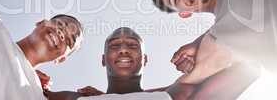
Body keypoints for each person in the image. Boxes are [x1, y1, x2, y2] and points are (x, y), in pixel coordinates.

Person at [44, 27, 258, 100]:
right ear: (103, 59)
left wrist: (198, 44)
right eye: (114, 46)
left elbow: (249, 67)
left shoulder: (177, 94)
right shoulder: (74, 98)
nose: (124, 49)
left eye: (133, 46)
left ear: (145, 60)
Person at [0, 0, 84, 99]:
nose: (62, 34)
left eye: (69, 41)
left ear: (61, 59)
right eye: (60, 24)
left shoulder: (38, 96)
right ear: (42, 22)